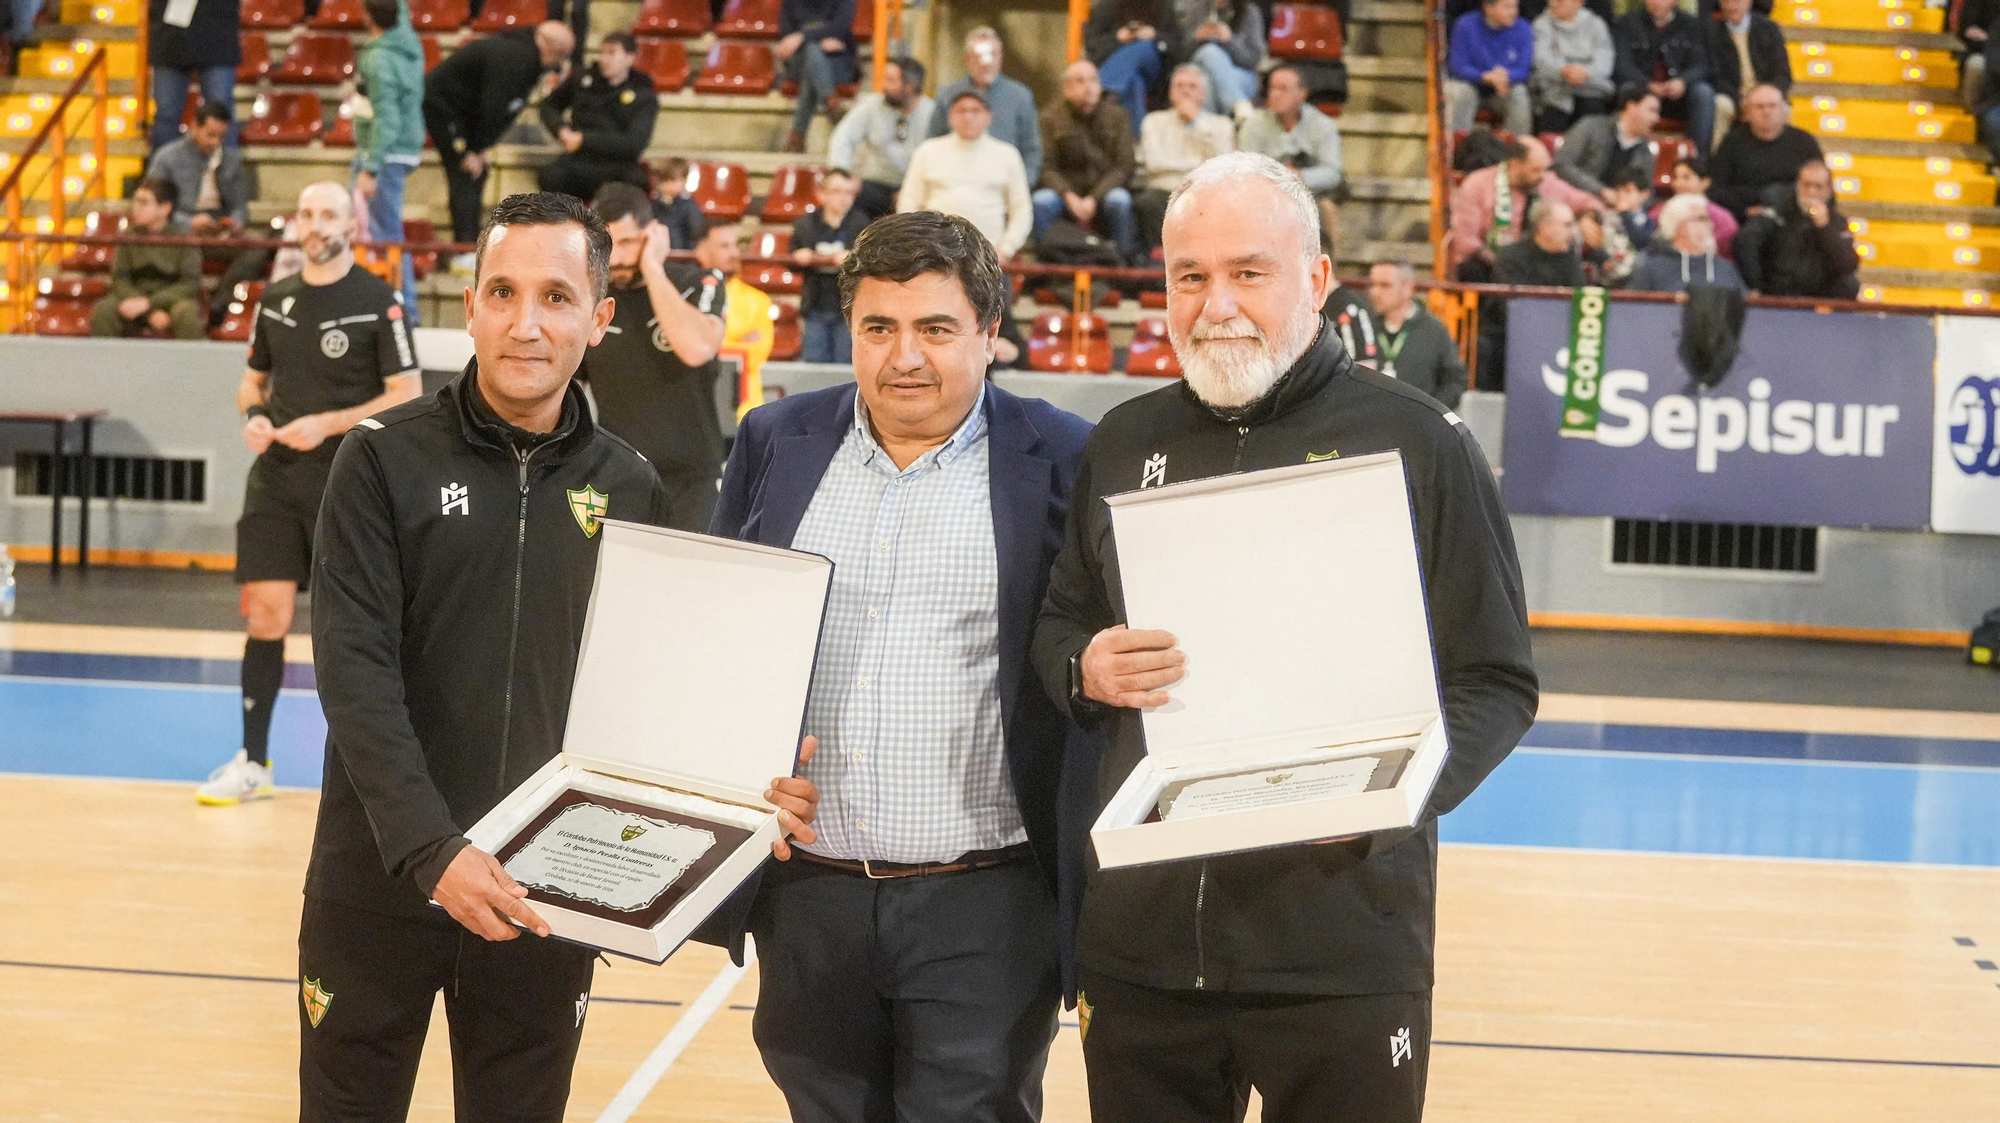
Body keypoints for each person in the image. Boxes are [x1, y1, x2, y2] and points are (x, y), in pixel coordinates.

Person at [1031, 151, 1536, 1123]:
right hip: (1141, 947)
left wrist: (1388, 799)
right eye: (1189, 276)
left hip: (1341, 944)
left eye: (1246, 272)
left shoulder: (1420, 442)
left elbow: (1494, 683)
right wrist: (1081, 665)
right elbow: (1062, 619)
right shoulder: (1121, 442)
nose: (1215, 302)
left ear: (1314, 279)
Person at [298, 191, 820, 1121]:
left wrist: (750, 781)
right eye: (501, 293)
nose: (525, 324)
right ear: (470, 308)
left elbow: (663, 694)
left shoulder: (629, 484)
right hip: (378, 882)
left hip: (546, 893)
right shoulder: (381, 459)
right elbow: (354, 675)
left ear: (600, 318)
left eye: (554, 297)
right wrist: (432, 849)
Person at [694, 207, 1091, 1123]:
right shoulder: (774, 441)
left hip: (985, 903)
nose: (903, 356)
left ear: (990, 336)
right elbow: (722, 646)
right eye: (879, 328)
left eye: (936, 329)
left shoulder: (1064, 456)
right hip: (809, 896)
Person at [195, 181, 423, 806]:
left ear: (351, 224)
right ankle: (253, 760)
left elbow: (407, 391)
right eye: (307, 213)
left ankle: (368, 773)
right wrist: (255, 417)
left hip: (344, 485)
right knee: (266, 613)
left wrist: (327, 423)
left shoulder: (379, 300)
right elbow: (251, 381)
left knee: (344, 632)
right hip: (274, 480)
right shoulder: (278, 298)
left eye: (328, 214)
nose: (316, 223)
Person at [583, 184, 728, 532]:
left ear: (653, 234)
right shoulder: (591, 301)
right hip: (619, 479)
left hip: (694, 482)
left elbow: (695, 348)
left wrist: (652, 268)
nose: (616, 258)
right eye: (609, 245)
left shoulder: (698, 280)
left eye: (630, 242)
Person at [424, 20, 575, 257]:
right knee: (466, 173)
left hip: (463, 115)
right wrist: (471, 150)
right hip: (444, 110)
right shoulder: (517, 60)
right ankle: (464, 250)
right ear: (552, 52)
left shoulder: (522, 52)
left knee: (475, 172)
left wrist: (479, 148)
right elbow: (494, 108)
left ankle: (467, 245)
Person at [352, 0, 425, 322]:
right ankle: (400, 307)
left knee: (385, 235)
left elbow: (387, 117)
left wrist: (371, 167)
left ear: (367, 14)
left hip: (383, 153)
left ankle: (404, 311)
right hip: (403, 149)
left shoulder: (379, 57)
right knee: (385, 231)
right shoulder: (406, 41)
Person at [900, 89, 1034, 260]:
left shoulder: (1007, 154)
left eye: (976, 111)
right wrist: (919, 245)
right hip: (934, 253)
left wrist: (1006, 249)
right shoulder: (928, 150)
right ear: (950, 116)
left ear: (988, 117)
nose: (968, 117)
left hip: (989, 254)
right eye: (961, 110)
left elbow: (1021, 209)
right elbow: (908, 202)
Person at [1446, 134, 1598, 276]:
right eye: (1535, 170)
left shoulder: (1545, 182)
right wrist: (1506, 262)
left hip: (1538, 265)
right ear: (1514, 165)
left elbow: (1588, 202)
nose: (1541, 176)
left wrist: (1588, 218)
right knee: (1471, 270)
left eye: (1544, 169)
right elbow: (1465, 240)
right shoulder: (1477, 184)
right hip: (1490, 265)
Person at [1035, 60, 1139, 265]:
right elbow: (1046, 167)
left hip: (1105, 192)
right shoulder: (1050, 118)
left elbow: (1124, 166)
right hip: (1065, 194)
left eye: (1093, 80)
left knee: (1120, 200)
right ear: (1066, 89)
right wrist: (1068, 195)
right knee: (1041, 201)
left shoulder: (1118, 117)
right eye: (1080, 81)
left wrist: (1094, 198)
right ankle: (1045, 264)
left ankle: (1123, 264)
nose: (1089, 87)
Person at [536, 32, 658, 202]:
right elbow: (549, 105)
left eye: (612, 53)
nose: (604, 59)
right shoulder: (582, 79)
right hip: (580, 161)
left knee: (634, 183)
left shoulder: (643, 94)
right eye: (603, 52)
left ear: (630, 58)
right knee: (551, 176)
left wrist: (584, 139)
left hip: (618, 165)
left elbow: (634, 143)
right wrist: (561, 129)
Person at [1237, 65, 1345, 240]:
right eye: (1272, 88)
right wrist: (1277, 176)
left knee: (1318, 207)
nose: (1275, 95)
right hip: (1263, 190)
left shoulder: (1321, 124)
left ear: (1301, 93)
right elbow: (1243, 166)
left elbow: (1333, 172)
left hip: (1309, 191)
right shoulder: (1254, 123)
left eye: (1283, 89)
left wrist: (1299, 176)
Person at [1136, 64, 1234, 253]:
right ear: (1171, 92)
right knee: (1147, 202)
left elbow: (1225, 165)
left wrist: (1198, 124)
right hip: (1162, 190)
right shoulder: (1154, 121)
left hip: (1206, 193)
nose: (1185, 91)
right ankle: (1159, 256)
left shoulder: (1222, 125)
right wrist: (1200, 164)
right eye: (1179, 86)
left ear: (1204, 94)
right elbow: (1155, 164)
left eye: (1192, 86)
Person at [88, 178, 203, 340]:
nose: (136, 208)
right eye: (135, 201)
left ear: (165, 209)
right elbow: (119, 279)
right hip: (133, 299)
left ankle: (193, 364)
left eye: (144, 203)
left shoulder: (184, 239)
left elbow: (189, 284)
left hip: (171, 301)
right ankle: (104, 363)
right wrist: (145, 308)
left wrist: (150, 304)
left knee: (187, 313)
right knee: (104, 310)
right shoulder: (129, 236)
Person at [928, 27, 1044, 185]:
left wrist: (1020, 185)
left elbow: (1031, 149)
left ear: (1000, 58)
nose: (985, 63)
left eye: (992, 55)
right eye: (978, 56)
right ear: (967, 59)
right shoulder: (947, 94)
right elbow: (933, 142)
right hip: (954, 181)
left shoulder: (1020, 95)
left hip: (1003, 182)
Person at [827, 56, 936, 224]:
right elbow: (844, 136)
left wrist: (910, 190)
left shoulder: (933, 113)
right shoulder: (872, 105)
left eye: (891, 80)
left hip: (916, 186)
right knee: (847, 199)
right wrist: (840, 172)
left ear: (910, 87)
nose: (883, 86)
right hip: (875, 184)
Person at [1734, 159, 1860, 298]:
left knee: (1850, 284)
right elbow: (1746, 240)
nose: (1811, 192)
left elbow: (1848, 264)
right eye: (1806, 185)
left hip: (1821, 294)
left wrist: (1824, 227)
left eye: (1818, 187)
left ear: (1829, 191)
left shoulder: (1837, 222)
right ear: (1797, 186)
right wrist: (1754, 284)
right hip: (1778, 290)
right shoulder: (1777, 213)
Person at [1707, 82, 1823, 220]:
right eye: (1759, 107)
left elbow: (1822, 186)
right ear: (1748, 112)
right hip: (1745, 216)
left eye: (1772, 106)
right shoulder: (1732, 142)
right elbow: (1717, 188)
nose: (1766, 112)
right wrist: (1746, 211)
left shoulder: (1804, 142)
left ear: (1784, 110)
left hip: (1794, 217)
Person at [1612, 0, 1716, 154]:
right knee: (1627, 91)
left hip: (1679, 96)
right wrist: (1646, 84)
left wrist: (1683, 81)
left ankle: (1695, 158)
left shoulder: (1691, 24)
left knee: (1703, 93)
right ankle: (1623, 153)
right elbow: (1622, 65)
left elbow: (1702, 65)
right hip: (1642, 91)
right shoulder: (1628, 22)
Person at [1365, 261, 1469, 406]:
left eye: (1385, 285)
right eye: (1372, 285)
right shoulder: (1364, 325)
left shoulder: (1434, 330)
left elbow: (1454, 380)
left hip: (1417, 422)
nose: (1375, 292)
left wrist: (1431, 412)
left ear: (1408, 288)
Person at [790, 168, 866, 363]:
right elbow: (791, 260)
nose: (844, 198)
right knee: (814, 363)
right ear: (821, 194)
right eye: (837, 191)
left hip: (848, 308)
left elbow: (871, 262)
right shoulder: (805, 224)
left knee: (846, 364)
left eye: (849, 193)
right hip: (815, 305)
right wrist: (800, 257)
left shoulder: (861, 225)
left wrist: (852, 259)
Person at [146, 0, 239, 151]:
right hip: (169, 40)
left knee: (221, 113)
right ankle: (162, 173)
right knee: (166, 115)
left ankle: (226, 172)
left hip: (218, 35)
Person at [1084, 0, 1182, 137]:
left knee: (1142, 46)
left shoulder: (1163, 6)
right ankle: (1138, 142)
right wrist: (1117, 38)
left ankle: (1102, 88)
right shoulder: (1106, 7)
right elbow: (1092, 45)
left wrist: (1154, 36)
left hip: (1155, 72)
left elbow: (1179, 46)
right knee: (1135, 84)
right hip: (1121, 72)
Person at [1553, 83, 1659, 201]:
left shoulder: (1646, 154)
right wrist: (1600, 190)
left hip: (1617, 211)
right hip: (1575, 198)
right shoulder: (1590, 126)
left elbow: (1647, 194)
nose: (1656, 118)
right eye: (1651, 111)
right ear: (1631, 106)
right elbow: (1562, 165)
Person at [776, 0, 858, 153]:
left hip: (837, 60)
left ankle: (797, 135)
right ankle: (830, 100)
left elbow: (839, 28)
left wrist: (802, 36)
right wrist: (819, 38)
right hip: (799, 59)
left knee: (812, 60)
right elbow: (786, 33)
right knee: (813, 53)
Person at [1445, 0, 1535, 135]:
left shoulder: (1523, 27)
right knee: (1458, 92)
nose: (1514, 12)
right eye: (1508, 7)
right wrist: (1485, 77)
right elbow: (1457, 66)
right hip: (1470, 85)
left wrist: (1506, 76)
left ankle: (1516, 149)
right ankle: (1457, 147)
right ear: (1488, 8)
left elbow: (1524, 69)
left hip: (1503, 89)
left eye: (1515, 6)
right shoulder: (1464, 24)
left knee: (1519, 94)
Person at [1629, 191, 1745, 292]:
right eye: (1702, 219)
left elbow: (1748, 306)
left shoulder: (1725, 268)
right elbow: (1633, 310)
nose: (1711, 224)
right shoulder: (1651, 268)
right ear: (1679, 226)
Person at [1530, 0, 1615, 133]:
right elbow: (1540, 58)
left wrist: (1586, 72)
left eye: (1561, 1)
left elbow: (1605, 60)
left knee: (1593, 114)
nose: (1554, 4)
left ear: (1579, 2)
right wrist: (1564, 71)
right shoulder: (1540, 24)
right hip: (1553, 90)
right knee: (1551, 116)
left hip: (1591, 88)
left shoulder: (1596, 24)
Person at [1706, 0, 1791, 131]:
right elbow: (1715, 76)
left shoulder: (1769, 29)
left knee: (1783, 108)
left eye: (1737, 1)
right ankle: (1717, 151)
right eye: (1727, 2)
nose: (1732, 6)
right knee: (1721, 106)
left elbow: (1783, 73)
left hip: (1765, 94)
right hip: (1732, 97)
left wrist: (1763, 98)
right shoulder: (1712, 32)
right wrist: (1741, 102)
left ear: (1749, 3)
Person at [1183, 0, 1265, 118]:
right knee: (1208, 56)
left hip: (1240, 73)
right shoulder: (1195, 9)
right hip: (1199, 69)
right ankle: (1237, 107)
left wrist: (1229, 40)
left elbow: (1253, 60)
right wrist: (1196, 39)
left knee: (1207, 80)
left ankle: (1208, 129)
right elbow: (1179, 56)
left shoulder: (1249, 12)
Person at [1651, 155, 1735, 257]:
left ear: (1705, 182)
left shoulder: (1723, 219)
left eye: (1686, 178)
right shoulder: (1658, 212)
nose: (1679, 183)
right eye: (1675, 177)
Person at [650, 156, 706, 249]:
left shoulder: (689, 206)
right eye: (663, 180)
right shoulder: (654, 204)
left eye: (671, 180)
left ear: (684, 181)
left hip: (682, 255)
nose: (666, 185)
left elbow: (696, 232)